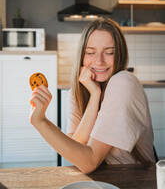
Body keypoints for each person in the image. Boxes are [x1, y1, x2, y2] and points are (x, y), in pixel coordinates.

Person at [30, 18, 155, 174]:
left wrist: (40, 121)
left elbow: (89, 162)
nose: (99, 61)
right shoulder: (78, 92)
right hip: (101, 181)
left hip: (135, 181)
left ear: (120, 55)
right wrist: (95, 95)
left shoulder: (124, 82)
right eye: (90, 52)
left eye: (109, 52)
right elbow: (76, 149)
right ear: (82, 55)